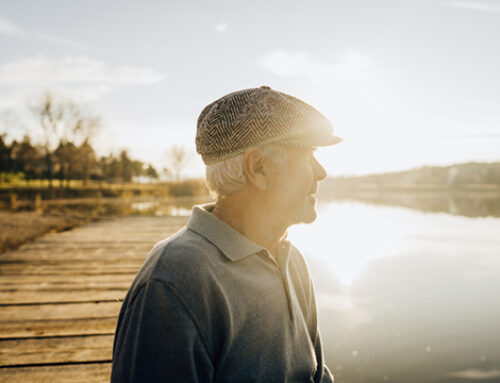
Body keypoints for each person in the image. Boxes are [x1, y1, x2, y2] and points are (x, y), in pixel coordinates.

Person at [111, 86, 342, 382]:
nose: (321, 172)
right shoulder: (173, 282)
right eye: (309, 156)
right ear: (258, 168)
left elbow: (315, 375)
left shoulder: (291, 259)